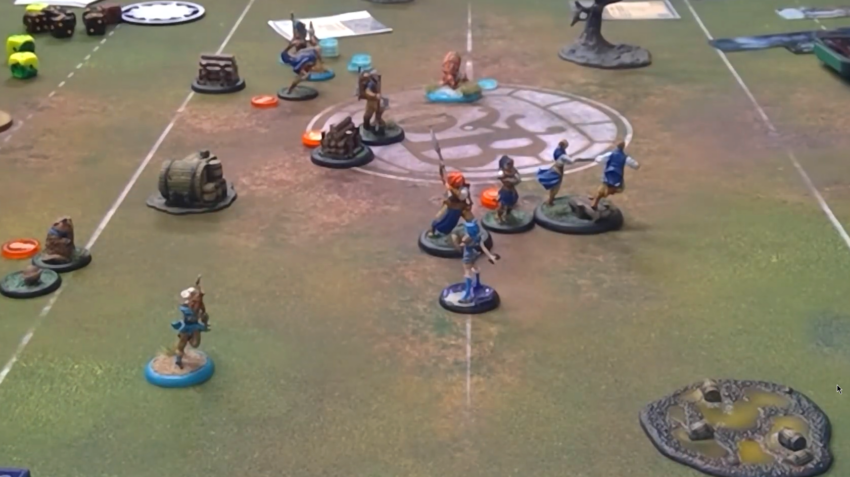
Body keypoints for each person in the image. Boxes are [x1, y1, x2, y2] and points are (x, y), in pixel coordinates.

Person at [574, 141, 640, 211]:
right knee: (611, 188)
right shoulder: (625, 157)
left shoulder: (611, 154)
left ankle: (596, 199)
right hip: (617, 178)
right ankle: (596, 201)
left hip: (608, 175)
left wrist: (597, 159)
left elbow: (599, 159)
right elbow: (635, 165)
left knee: (606, 189)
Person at [452, 219, 500, 303]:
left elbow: (462, 244)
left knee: (467, 272)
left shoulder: (467, 237)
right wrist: (490, 256)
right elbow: (483, 247)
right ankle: (477, 283)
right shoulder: (478, 237)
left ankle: (466, 295)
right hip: (474, 254)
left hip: (468, 255)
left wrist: (460, 244)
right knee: (475, 267)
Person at [171, 277, 210, 368]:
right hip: (188, 326)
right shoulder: (187, 307)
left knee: (194, 344)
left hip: (192, 326)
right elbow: (194, 311)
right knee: (182, 345)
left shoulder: (196, 304)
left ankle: (189, 340)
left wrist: (198, 286)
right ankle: (178, 361)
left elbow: (200, 303)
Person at [429, 166, 474, 237]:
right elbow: (443, 179)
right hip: (450, 205)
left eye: (461, 181)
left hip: (462, 206)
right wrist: (441, 169)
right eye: (459, 182)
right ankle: (433, 230)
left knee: (471, 220)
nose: (460, 183)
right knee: (440, 218)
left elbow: (461, 196)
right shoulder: (450, 186)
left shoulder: (463, 189)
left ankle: (473, 231)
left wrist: (470, 202)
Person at [536, 140, 575, 206]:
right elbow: (571, 161)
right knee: (556, 187)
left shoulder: (557, 150)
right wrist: (578, 159)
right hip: (558, 171)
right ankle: (550, 200)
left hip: (555, 168)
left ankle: (551, 199)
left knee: (555, 187)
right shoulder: (562, 155)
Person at [358, 69, 385, 135]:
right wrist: (375, 95)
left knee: (380, 109)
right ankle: (366, 127)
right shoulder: (371, 83)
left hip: (376, 100)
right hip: (372, 101)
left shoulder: (376, 81)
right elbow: (368, 91)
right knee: (368, 115)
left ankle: (378, 121)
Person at [496, 155, 521, 223]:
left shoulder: (513, 170)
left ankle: (507, 214)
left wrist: (515, 179)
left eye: (511, 163)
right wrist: (512, 180)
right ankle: (499, 217)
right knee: (502, 206)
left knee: (511, 205)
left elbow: (518, 178)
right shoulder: (502, 172)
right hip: (505, 191)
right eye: (509, 164)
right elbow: (506, 181)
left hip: (512, 191)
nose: (511, 165)